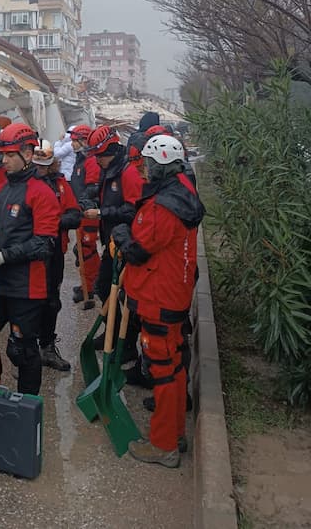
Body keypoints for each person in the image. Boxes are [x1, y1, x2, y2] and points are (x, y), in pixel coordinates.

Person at [112, 134, 205, 468]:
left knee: (162, 370)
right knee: (176, 365)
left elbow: (137, 250)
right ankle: (176, 431)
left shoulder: (163, 207)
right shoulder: (183, 190)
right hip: (174, 292)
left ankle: (163, 444)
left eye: (149, 165)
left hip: (158, 296)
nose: (146, 171)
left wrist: (121, 232)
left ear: (161, 166)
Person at [0, 123, 60, 395]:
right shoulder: (1, 190)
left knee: (21, 349)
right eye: (2, 155)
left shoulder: (41, 192)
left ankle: (26, 406)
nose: (3, 161)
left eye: (9, 155)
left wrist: (3, 256)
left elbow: (44, 244)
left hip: (27, 287)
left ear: (27, 154)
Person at [83, 126, 143, 364]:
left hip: (124, 242)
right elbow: (102, 193)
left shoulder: (128, 173)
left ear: (114, 150)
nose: (98, 161)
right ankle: (113, 332)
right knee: (104, 288)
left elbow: (132, 211)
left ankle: (126, 342)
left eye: (102, 156)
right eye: (96, 156)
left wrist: (101, 213)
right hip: (111, 241)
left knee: (121, 294)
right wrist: (90, 197)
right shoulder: (108, 170)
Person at [32, 139, 82, 371]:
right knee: (31, 301)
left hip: (54, 252)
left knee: (52, 301)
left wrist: (53, 222)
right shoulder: (26, 184)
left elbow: (74, 213)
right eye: (38, 164)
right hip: (31, 252)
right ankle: (26, 347)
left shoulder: (61, 184)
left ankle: (47, 346)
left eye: (45, 163)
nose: (41, 168)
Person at [68, 124, 101, 302]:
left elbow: (92, 187)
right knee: (82, 248)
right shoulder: (81, 160)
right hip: (81, 211)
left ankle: (90, 285)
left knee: (86, 248)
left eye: (75, 140)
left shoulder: (90, 162)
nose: (72, 144)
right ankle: (89, 282)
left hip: (89, 212)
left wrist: (82, 203)